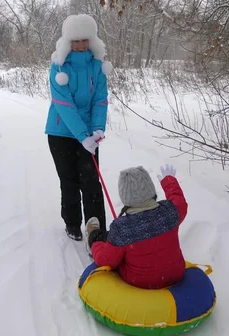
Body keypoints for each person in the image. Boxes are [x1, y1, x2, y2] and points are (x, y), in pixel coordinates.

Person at [45, 14, 113, 241]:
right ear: (67, 41)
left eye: (84, 40)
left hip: (88, 135)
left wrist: (97, 130)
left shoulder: (97, 66)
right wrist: (83, 135)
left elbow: (100, 99)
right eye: (76, 40)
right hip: (61, 133)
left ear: (91, 40)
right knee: (70, 180)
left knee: (91, 182)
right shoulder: (59, 68)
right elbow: (63, 104)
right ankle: (72, 223)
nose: (81, 45)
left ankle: (96, 231)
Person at [85, 164, 188, 289]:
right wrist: (169, 181)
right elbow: (179, 200)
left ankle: (94, 235)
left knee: (107, 239)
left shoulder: (122, 228)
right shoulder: (170, 211)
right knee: (119, 240)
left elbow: (107, 260)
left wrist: (96, 245)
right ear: (150, 189)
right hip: (175, 274)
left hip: (140, 281)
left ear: (125, 197)